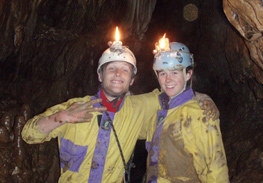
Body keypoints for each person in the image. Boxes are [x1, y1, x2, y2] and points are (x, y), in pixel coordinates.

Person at [22, 36, 219, 183]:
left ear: (132, 80)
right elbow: (28, 134)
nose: (118, 74)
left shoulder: (139, 107)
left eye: (125, 69)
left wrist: (201, 97)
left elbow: (173, 91)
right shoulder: (74, 106)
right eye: (111, 68)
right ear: (100, 75)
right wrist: (60, 117)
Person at [145, 40, 229, 182]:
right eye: (162, 73)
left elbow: (216, 166)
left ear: (188, 74)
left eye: (174, 72)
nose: (168, 80)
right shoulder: (157, 111)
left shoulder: (201, 114)